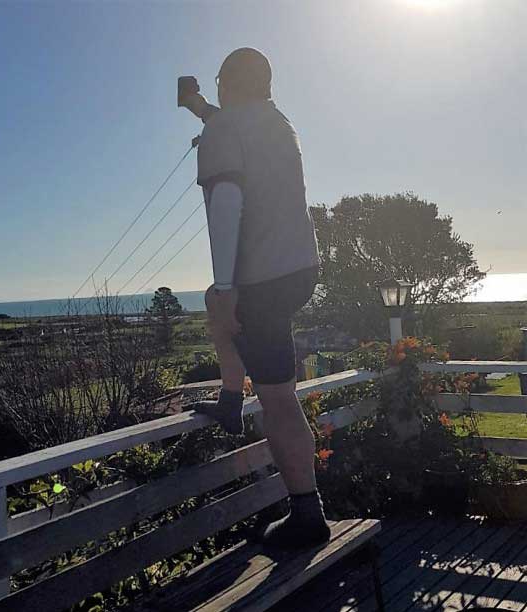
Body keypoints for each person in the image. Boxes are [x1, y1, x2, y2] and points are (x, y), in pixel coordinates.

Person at [181, 47, 329, 550]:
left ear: (227, 83)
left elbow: (226, 204)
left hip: (260, 279)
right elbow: (225, 117)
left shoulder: (225, 130)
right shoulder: (277, 122)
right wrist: (197, 106)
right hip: (297, 271)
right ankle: (228, 396)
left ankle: (307, 515)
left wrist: (228, 289)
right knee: (216, 306)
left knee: (279, 400)